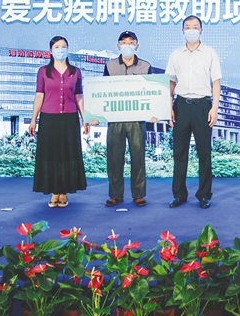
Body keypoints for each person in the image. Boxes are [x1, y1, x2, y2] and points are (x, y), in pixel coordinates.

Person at [166, 15, 222, 209]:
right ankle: (179, 195)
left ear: (201, 31)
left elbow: (216, 82)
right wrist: (168, 106)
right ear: (183, 31)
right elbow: (171, 82)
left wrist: (214, 108)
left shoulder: (210, 53)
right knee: (179, 153)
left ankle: (204, 195)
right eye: (188, 27)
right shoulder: (176, 54)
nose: (191, 30)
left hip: (202, 105)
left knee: (204, 153)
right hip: (181, 105)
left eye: (195, 27)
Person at [29, 36, 89, 208]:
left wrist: (85, 118)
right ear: (51, 51)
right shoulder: (43, 72)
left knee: (67, 155)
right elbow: (39, 95)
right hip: (49, 119)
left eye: (63, 46)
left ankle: (64, 192)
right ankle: (54, 192)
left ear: (68, 49)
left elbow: (79, 96)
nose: (60, 50)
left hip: (69, 119)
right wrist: (33, 119)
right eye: (57, 47)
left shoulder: (75, 72)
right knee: (51, 155)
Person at [101, 31, 154, 207]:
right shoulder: (110, 66)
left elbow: (152, 92)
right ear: (118, 46)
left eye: (131, 42)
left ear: (136, 46)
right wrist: (96, 114)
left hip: (137, 119)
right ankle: (115, 195)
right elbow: (102, 91)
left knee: (138, 157)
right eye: (124, 42)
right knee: (114, 157)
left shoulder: (145, 66)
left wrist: (154, 111)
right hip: (115, 118)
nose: (127, 46)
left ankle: (139, 194)